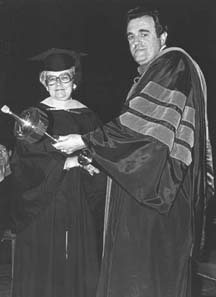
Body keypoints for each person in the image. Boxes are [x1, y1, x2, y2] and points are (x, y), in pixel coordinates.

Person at [53, 7, 215, 297]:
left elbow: (141, 134)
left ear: (162, 36)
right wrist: (95, 159)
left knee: (147, 280)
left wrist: (85, 140)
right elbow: (136, 139)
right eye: (130, 37)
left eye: (144, 33)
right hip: (146, 190)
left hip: (159, 197)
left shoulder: (173, 62)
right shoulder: (149, 75)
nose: (136, 42)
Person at [7, 48, 107, 297]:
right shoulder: (33, 117)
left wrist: (91, 162)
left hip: (78, 201)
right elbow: (24, 163)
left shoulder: (88, 115)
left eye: (65, 77)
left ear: (74, 81)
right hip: (44, 204)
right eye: (52, 78)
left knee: (76, 261)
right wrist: (65, 162)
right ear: (44, 82)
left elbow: (100, 152)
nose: (59, 84)